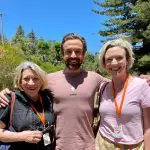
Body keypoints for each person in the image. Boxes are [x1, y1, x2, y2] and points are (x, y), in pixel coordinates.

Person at [0, 33, 150, 150]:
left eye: (77, 51)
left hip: (90, 146)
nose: (73, 55)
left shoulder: (95, 78)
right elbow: (27, 86)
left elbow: (121, 81)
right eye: (68, 51)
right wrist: (5, 92)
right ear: (62, 54)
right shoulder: (48, 79)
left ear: (84, 54)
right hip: (56, 146)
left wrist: (143, 79)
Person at [95, 39, 150, 150]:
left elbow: (148, 127)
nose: (114, 63)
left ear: (127, 60)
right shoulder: (103, 87)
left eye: (119, 58)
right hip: (103, 143)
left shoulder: (142, 86)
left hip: (134, 146)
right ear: (104, 63)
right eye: (109, 59)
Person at [0, 61, 55, 150]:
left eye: (35, 78)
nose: (31, 83)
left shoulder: (48, 99)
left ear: (41, 81)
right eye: (26, 79)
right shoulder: (9, 99)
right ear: (20, 81)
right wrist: (22, 136)